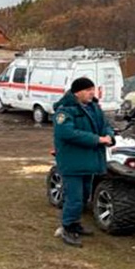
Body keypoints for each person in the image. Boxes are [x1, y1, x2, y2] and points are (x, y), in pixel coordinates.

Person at [52, 77, 114, 247]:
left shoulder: (94, 108)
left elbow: (106, 125)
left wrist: (109, 136)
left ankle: (75, 224)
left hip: (89, 160)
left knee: (85, 195)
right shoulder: (65, 111)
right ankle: (67, 227)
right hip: (72, 161)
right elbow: (67, 133)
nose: (92, 93)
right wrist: (97, 139)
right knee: (74, 197)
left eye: (92, 89)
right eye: (88, 90)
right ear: (77, 92)